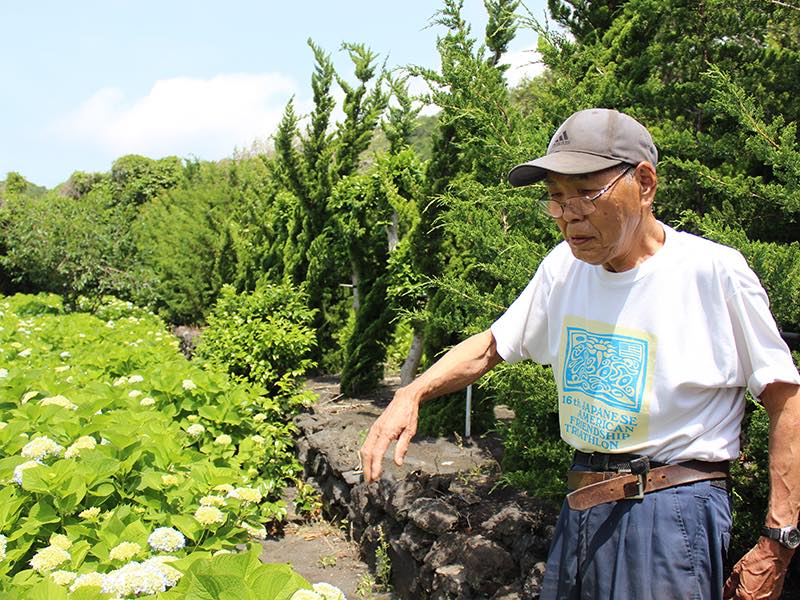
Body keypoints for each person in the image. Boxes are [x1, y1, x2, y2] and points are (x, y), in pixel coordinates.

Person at [358, 108, 800, 600]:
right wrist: (413, 391)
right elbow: (491, 345)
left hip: (671, 511)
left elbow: (785, 398)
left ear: (645, 183)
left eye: (586, 193)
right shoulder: (563, 269)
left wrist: (778, 539)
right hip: (583, 505)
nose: (569, 214)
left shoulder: (712, 272)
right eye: (555, 198)